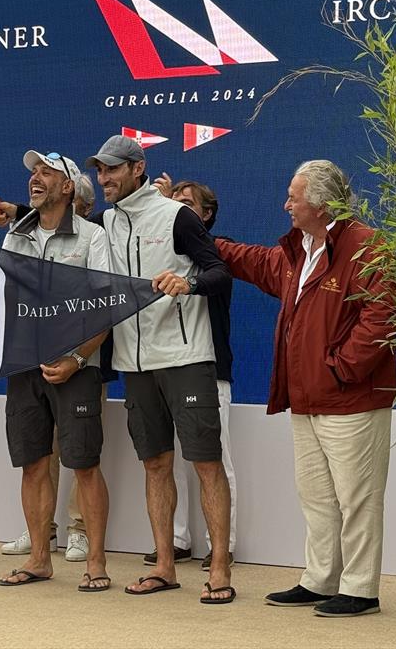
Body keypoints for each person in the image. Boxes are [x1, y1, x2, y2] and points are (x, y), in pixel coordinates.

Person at [216, 160, 396, 617]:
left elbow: (382, 317)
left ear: (320, 202)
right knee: (317, 497)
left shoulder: (367, 247)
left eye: (293, 197)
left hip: (350, 399)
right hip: (308, 400)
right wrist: (204, 241)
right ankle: (319, 580)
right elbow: (255, 261)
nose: (286, 205)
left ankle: (360, 589)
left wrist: (340, 370)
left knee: (357, 499)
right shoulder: (299, 250)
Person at [85, 135, 234, 603]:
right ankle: (165, 566)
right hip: (134, 362)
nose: (104, 179)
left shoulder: (176, 215)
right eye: (100, 172)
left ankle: (220, 569)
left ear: (137, 167)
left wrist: (186, 281)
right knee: (154, 464)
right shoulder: (104, 222)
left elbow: (219, 272)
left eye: (112, 170)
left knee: (206, 464)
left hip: (186, 357)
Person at [0, 150, 111, 592]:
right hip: (25, 366)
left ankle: (96, 563)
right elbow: (6, 302)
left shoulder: (92, 236)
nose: (35, 178)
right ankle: (39, 559)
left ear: (68, 187)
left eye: (47, 172)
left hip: (77, 366)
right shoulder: (15, 236)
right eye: (33, 172)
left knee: (84, 465)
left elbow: (105, 306)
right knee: (32, 465)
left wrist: (77, 359)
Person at [141, 177, 237, 570]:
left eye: (185, 203)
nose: (177, 209)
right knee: (170, 462)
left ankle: (223, 546)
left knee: (216, 461)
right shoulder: (166, 252)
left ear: (206, 214)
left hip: (209, 368)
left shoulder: (215, 251)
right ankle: (178, 541)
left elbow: (216, 277)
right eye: (172, 202)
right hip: (165, 365)